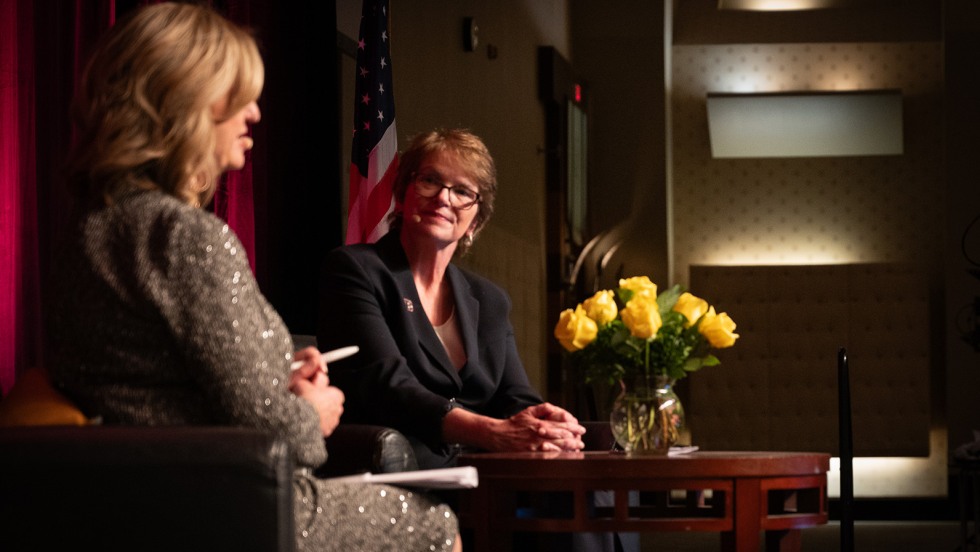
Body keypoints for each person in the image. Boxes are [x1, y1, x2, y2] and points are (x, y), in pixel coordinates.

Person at [44, 4, 459, 551]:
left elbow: (156, 376)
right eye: (236, 97)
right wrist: (312, 412)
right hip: (222, 504)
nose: (255, 114)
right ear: (183, 104)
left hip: (129, 504)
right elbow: (281, 438)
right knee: (430, 523)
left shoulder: (89, 227)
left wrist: (278, 369)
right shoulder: (187, 237)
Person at [317, 128, 586, 470]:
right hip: (401, 468)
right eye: (430, 180)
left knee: (588, 485)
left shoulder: (490, 299)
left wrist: (546, 425)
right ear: (402, 194)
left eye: (462, 191)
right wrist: (491, 432)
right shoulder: (357, 270)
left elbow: (515, 397)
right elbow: (390, 387)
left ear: (476, 221)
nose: (444, 198)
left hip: (484, 475)